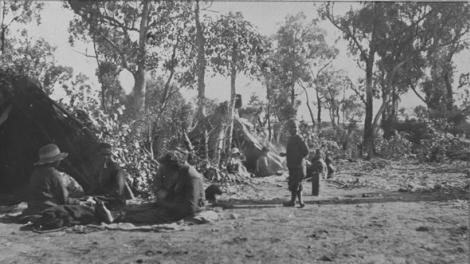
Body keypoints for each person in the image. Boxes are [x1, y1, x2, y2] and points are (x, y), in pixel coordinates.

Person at [24, 143, 113, 228]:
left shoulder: (36, 173)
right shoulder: (54, 174)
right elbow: (64, 199)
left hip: (34, 208)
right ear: (55, 161)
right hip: (49, 209)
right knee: (84, 210)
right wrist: (81, 202)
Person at [280, 120, 309, 208]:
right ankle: (300, 202)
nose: (293, 130)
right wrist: (285, 154)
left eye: (294, 128)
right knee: (297, 184)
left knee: (295, 184)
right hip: (293, 166)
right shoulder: (292, 138)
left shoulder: (299, 138)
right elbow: (293, 151)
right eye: (291, 128)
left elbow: (306, 151)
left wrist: (298, 159)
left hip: (297, 166)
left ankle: (294, 202)